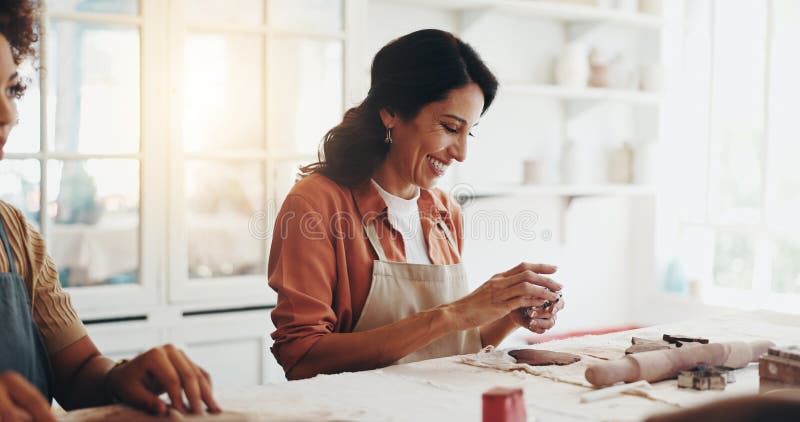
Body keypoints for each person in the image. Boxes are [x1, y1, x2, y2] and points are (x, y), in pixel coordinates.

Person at [268, 29, 565, 380]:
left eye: (468, 132)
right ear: (391, 111)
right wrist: (454, 313)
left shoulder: (444, 212)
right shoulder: (315, 204)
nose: (461, 153)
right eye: (449, 127)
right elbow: (303, 356)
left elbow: (447, 346)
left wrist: (509, 315)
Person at [0, 1, 220, 420]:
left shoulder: (13, 235)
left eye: (10, 89)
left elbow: (79, 371)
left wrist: (121, 377)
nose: (8, 114)